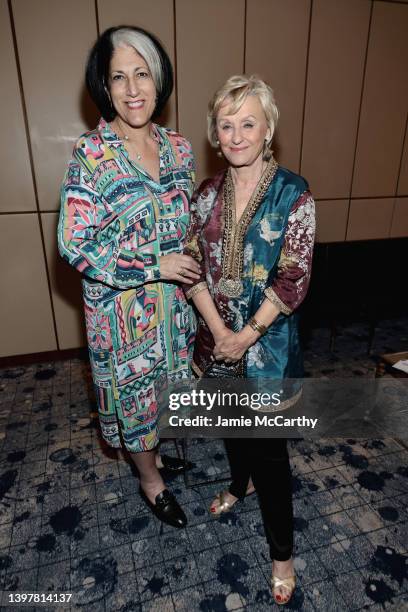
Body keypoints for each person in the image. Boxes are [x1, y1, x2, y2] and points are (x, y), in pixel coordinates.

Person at [58, 26, 200, 529]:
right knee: (137, 405)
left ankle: (156, 459)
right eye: (119, 77)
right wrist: (152, 264)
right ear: (105, 85)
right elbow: (75, 243)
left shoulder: (180, 148)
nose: (133, 88)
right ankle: (150, 481)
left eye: (142, 73)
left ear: (159, 80)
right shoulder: (91, 154)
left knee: (165, 395)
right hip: (122, 320)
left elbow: (187, 226)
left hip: (172, 313)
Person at [183, 75, 315, 604]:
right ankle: (241, 485)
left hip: (267, 349)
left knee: (271, 454)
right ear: (215, 133)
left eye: (248, 123)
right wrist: (219, 334)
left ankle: (282, 556)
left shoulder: (294, 193)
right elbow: (191, 266)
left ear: (268, 130)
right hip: (215, 341)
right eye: (226, 124)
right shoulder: (206, 194)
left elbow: (293, 278)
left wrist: (244, 336)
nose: (236, 135)